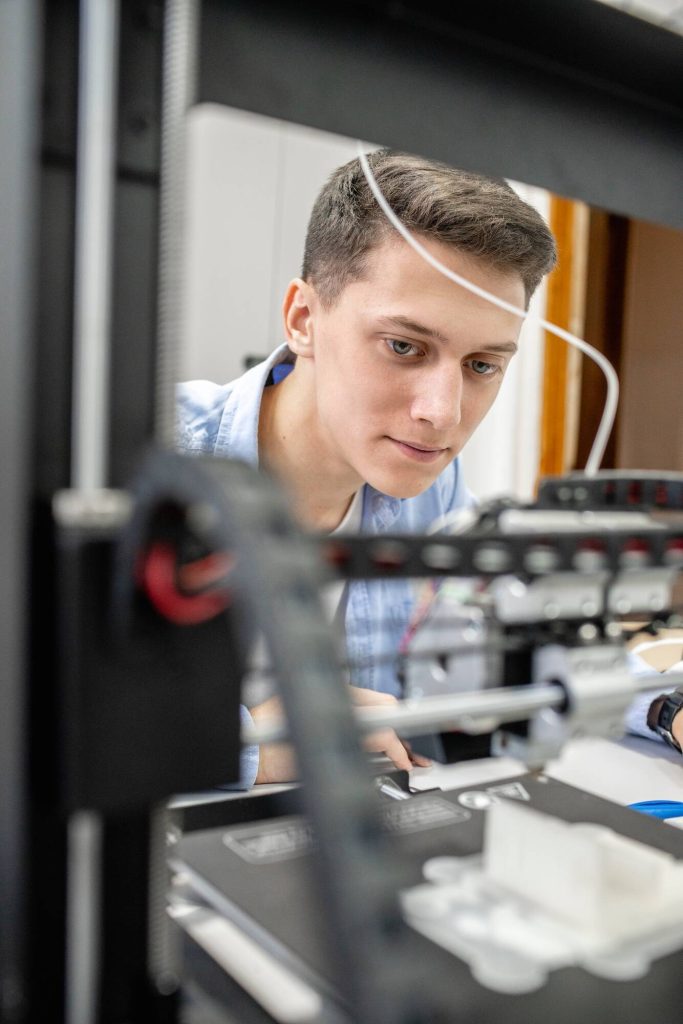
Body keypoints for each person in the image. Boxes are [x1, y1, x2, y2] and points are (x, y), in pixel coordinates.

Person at [177, 149, 682, 785]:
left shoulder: (427, 485)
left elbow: (524, 642)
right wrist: (251, 744)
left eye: (482, 365)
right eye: (403, 347)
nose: (441, 415)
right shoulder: (146, 462)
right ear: (304, 319)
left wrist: (669, 707)